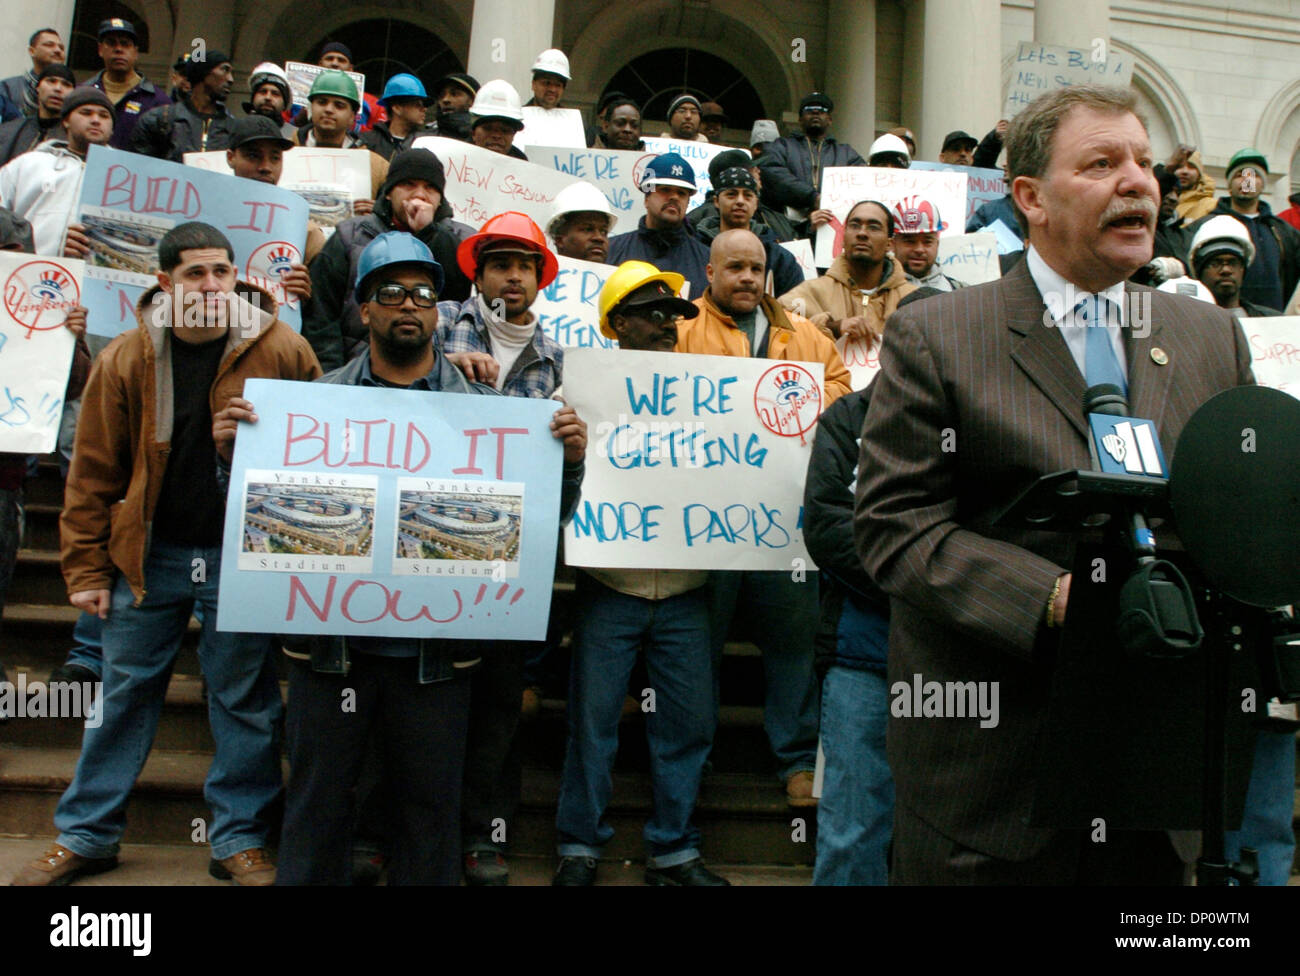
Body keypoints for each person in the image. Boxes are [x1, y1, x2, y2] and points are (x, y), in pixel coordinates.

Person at [855, 84, 1255, 885]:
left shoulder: (1211, 336)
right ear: (1031, 197)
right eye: (1102, 163)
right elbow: (896, 526)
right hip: (994, 782)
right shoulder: (940, 333)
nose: (1139, 180)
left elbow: (1237, 519)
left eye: (1144, 161)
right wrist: (1053, 599)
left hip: (1155, 771)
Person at [259, 231, 585, 884]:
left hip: (438, 655)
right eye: (391, 293)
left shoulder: (488, 415)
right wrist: (231, 459)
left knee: (430, 812)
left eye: (423, 294)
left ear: (437, 310)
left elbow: (543, 525)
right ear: (364, 309)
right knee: (317, 806)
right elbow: (265, 534)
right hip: (332, 652)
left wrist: (568, 466)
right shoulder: (312, 408)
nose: (409, 305)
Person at [9, 221, 322, 887]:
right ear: (164, 282)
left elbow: (316, 456)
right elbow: (91, 473)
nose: (212, 286)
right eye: (195, 274)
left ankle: (238, 838)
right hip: (147, 557)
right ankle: (88, 835)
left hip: (241, 556)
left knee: (244, 700)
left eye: (222, 272)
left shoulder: (283, 348)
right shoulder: (126, 357)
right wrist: (87, 571)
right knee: (123, 694)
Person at [552, 260, 728, 887]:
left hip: (685, 590)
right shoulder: (578, 396)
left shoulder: (714, 395)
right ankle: (579, 846)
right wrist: (568, 445)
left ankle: (674, 851)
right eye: (652, 314)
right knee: (592, 724)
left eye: (675, 315)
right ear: (617, 323)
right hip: (612, 587)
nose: (666, 325)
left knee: (688, 725)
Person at [675, 229, 849, 806]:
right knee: (698, 645)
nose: (748, 278)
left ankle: (798, 760)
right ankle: (689, 765)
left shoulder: (804, 335)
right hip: (706, 521)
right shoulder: (680, 330)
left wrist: (798, 411)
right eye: (736, 268)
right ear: (712, 273)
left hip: (786, 524)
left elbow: (842, 392)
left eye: (757, 269)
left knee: (795, 643)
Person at [435, 212, 565, 884]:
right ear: (478, 273)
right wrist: (442, 367)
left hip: (512, 561)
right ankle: (409, 831)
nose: (513, 276)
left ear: (539, 279)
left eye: (525, 266)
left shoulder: (556, 359)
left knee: (497, 705)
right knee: (425, 703)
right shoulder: (433, 324)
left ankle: (485, 836)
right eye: (500, 264)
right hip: (429, 552)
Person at [0, 208, 90, 724]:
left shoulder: (37, 308)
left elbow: (73, 388)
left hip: (5, 485)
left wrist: (70, 339)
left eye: (16, 257)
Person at [803, 380, 893, 885]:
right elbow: (826, 526)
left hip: (957, 654)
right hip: (863, 654)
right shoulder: (848, 417)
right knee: (853, 824)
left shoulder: (980, 411)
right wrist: (924, 584)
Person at [303, 147, 473, 371]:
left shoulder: (462, 241)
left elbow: (474, 306)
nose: (420, 194)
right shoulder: (349, 236)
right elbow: (322, 315)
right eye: (409, 184)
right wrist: (333, 376)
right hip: (354, 375)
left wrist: (429, 234)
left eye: (430, 187)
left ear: (440, 198)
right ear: (389, 192)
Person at [779, 200, 916, 345]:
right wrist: (832, 328)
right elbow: (779, 338)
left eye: (873, 227)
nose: (862, 233)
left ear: (890, 244)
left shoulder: (914, 300)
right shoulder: (808, 294)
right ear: (842, 238)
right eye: (855, 226)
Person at [0, 88, 114, 255]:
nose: (96, 120)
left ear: (112, 128)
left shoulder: (127, 177)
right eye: (86, 113)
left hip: (96, 277)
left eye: (104, 115)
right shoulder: (27, 164)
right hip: (25, 272)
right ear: (66, 121)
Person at [1189, 148, 1300, 313]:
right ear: (1229, 185)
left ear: (1263, 184)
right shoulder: (1203, 228)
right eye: (1240, 175)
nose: (1247, 181)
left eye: (1254, 175)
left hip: (1271, 324)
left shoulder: (1284, 232)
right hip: (1218, 320)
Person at [225, 114, 325, 269]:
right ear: (231, 158)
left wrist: (306, 288)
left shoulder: (305, 233)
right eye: (253, 156)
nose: (265, 167)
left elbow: (324, 289)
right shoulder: (204, 218)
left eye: (275, 158)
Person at [607, 152, 711, 298]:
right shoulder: (611, 250)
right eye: (665, 189)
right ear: (646, 198)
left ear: (688, 202)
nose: (674, 197)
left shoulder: (707, 260)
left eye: (681, 193)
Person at [692, 166, 803, 295]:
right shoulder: (696, 251)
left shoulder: (778, 258)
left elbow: (795, 304)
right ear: (716, 201)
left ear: (756, 203)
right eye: (731, 194)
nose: (740, 201)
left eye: (748, 195)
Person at [756, 92, 864, 221]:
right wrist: (812, 198)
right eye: (808, 110)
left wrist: (829, 203)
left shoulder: (846, 153)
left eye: (822, 110)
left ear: (830, 119)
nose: (815, 113)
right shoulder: (781, 146)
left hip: (832, 223)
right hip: (787, 226)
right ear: (800, 119)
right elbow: (773, 173)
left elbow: (862, 180)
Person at [289, 70, 388, 204]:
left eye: (339, 105)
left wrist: (377, 213)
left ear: (352, 117)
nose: (329, 109)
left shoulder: (377, 167)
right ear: (311, 107)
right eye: (322, 102)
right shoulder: (283, 155)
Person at [83, 18, 170, 152]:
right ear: (100, 49)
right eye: (111, 43)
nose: (118, 49)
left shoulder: (158, 101)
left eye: (125, 44)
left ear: (135, 53)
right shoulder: (83, 94)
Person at [131, 50, 234, 160]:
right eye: (224, 70)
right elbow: (141, 167)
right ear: (203, 72)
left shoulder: (233, 129)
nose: (230, 79)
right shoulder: (159, 120)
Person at [688, 148, 796, 242]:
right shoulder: (697, 225)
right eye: (752, 169)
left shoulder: (770, 215)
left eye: (747, 195)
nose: (758, 171)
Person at [1188, 214, 1277, 317]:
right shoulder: (1188, 320)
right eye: (1215, 263)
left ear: (1243, 270)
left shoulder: (1270, 321)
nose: (1226, 270)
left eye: (1233, 263)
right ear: (1199, 271)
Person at [0, 64, 73, 165]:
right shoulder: (10, 130)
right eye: (51, 81)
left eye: (66, 84)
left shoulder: (77, 137)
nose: (58, 88)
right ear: (37, 87)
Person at [891, 197, 965, 291]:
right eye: (910, 241)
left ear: (937, 244)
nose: (919, 249)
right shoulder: (875, 293)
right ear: (892, 244)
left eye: (927, 242)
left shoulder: (959, 291)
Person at [313, 42, 384, 133]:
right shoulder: (296, 98)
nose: (335, 63)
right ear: (320, 64)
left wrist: (352, 126)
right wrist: (298, 120)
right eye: (329, 59)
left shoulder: (371, 103)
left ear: (351, 69)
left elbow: (378, 137)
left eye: (341, 60)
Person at [361, 74, 434, 161]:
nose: (424, 109)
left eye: (424, 105)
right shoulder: (367, 141)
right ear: (397, 107)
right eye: (417, 104)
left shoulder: (427, 143)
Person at [1, 27, 65, 118]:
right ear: (32, 51)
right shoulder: (7, 88)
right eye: (49, 45)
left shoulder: (71, 92)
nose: (58, 50)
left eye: (61, 48)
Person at [547, 180, 617, 263]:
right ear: (560, 240)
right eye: (588, 229)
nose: (599, 238)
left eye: (604, 232)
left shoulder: (621, 275)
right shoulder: (539, 275)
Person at [469, 79, 527, 160]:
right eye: (488, 128)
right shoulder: (454, 158)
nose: (496, 136)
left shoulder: (522, 164)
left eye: (505, 130)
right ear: (473, 132)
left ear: (513, 136)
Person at [241, 62, 296, 140]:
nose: (268, 97)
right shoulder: (235, 129)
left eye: (275, 94)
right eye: (263, 92)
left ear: (285, 104)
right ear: (253, 98)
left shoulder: (296, 136)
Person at [1167, 145, 1217, 224]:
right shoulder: (1162, 204)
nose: (1185, 171)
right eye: (1180, 166)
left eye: (1191, 167)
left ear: (1199, 175)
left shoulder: (1211, 206)